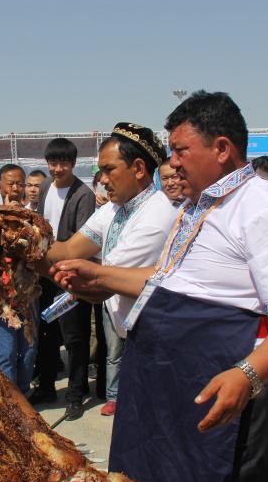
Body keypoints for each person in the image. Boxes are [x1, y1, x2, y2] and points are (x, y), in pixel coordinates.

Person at [51, 91, 268, 482]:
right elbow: (169, 282)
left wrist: (248, 373)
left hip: (222, 383)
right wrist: (100, 275)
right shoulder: (196, 206)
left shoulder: (264, 206)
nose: (171, 164)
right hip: (166, 382)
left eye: (180, 151)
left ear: (221, 149)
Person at [42, 124, 176, 418]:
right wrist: (25, 241)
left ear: (139, 168)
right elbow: (67, 251)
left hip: (156, 343)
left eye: (108, 170)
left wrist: (56, 270)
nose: (102, 180)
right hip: (132, 338)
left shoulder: (157, 214)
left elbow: (101, 284)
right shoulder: (114, 209)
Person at [31, 138, 96, 419]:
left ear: (73, 163)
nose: (58, 168)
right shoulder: (45, 187)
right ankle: (46, 386)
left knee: (74, 338)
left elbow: (83, 239)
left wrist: (71, 277)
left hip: (70, 276)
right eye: (53, 163)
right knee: (46, 334)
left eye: (64, 163)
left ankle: (75, 394)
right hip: (45, 274)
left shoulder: (83, 194)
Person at [0, 164, 39, 392]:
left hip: (28, 291)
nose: (16, 188)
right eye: (11, 183)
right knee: (6, 351)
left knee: (29, 349)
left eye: (20, 183)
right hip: (3, 293)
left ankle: (24, 392)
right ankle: (11, 399)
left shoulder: (34, 217)